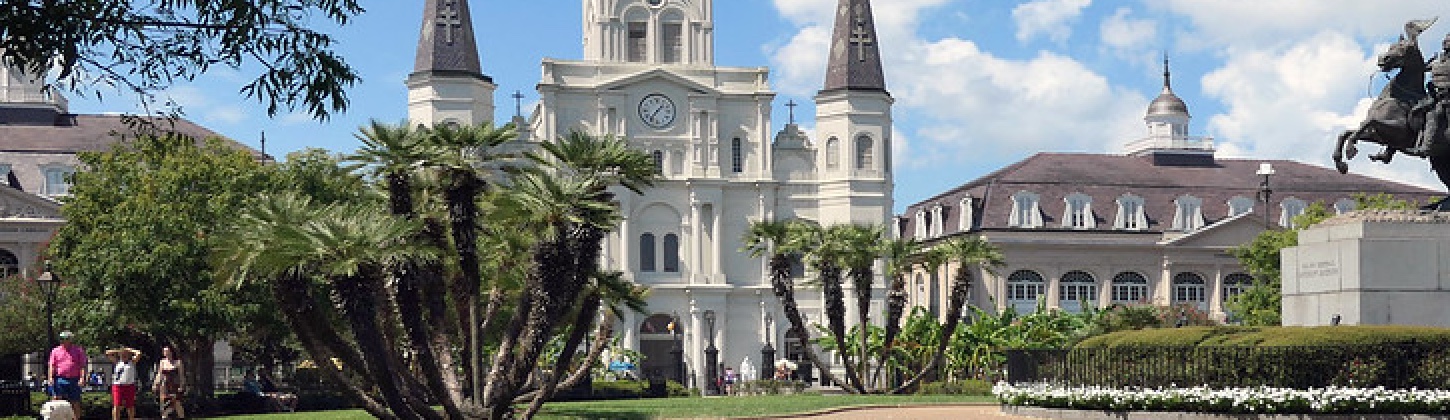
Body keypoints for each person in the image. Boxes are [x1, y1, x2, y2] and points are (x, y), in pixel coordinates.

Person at [1412, 33, 1450, 156]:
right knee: (1416, 113)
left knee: (1434, 116)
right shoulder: (1437, 62)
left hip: (1447, 99)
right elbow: (1420, 68)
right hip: (1435, 98)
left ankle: (1426, 147)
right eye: (1445, 40)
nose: (1445, 43)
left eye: (1448, 41)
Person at [47, 331, 86, 420]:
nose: (63, 341)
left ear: (70, 340)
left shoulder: (78, 350)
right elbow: (52, 366)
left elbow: (82, 366)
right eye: (62, 339)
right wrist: (50, 377)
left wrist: (82, 378)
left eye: (66, 339)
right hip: (60, 379)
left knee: (75, 402)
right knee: (57, 400)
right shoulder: (55, 351)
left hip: (74, 379)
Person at [106, 348, 141, 420]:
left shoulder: (132, 362)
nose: (124, 356)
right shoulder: (117, 362)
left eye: (125, 354)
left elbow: (139, 353)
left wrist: (129, 350)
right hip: (118, 386)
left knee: (130, 406)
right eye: (122, 355)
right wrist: (119, 350)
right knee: (117, 405)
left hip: (129, 386)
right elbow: (107, 353)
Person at [153, 346, 186, 419]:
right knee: (165, 405)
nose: (166, 353)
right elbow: (159, 374)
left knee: (177, 404)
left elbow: (181, 375)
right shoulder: (162, 362)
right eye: (165, 351)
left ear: (171, 352)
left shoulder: (178, 362)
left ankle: (181, 417)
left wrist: (181, 386)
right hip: (165, 386)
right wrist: (155, 384)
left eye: (168, 351)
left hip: (175, 386)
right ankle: (164, 417)